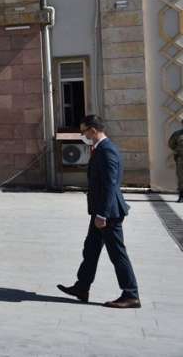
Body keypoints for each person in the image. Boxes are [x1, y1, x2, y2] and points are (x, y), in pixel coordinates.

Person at [57, 115, 141, 309]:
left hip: (108, 214)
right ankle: (82, 287)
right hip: (100, 212)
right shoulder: (100, 149)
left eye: (84, 131)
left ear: (93, 130)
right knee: (91, 250)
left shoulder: (107, 151)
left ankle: (131, 294)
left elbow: (111, 185)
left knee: (117, 254)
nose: (83, 135)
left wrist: (102, 214)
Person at [167, 120, 183, 203]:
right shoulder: (177, 134)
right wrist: (178, 150)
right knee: (181, 177)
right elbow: (171, 144)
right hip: (181, 159)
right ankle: (181, 195)